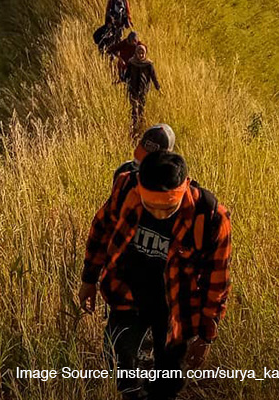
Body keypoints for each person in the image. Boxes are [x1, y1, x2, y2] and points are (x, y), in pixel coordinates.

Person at [79, 150, 232, 400]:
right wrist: (89, 279)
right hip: (127, 293)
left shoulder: (211, 217)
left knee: (169, 377)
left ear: (184, 186)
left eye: (168, 208)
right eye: (150, 206)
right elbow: (101, 228)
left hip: (176, 308)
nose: (159, 214)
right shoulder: (126, 188)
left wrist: (206, 336)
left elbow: (217, 280)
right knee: (117, 358)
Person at [123, 44, 160, 133]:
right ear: (135, 53)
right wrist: (122, 79)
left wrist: (158, 88)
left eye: (142, 53)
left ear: (145, 53)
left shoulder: (148, 64)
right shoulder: (132, 62)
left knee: (141, 108)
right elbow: (127, 75)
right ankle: (133, 126)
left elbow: (153, 77)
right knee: (134, 109)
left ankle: (141, 126)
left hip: (143, 90)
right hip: (133, 89)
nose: (140, 55)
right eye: (139, 53)